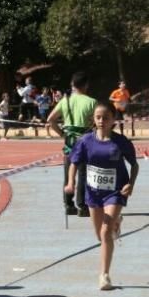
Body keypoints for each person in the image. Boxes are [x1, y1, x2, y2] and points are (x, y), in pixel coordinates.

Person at [65, 101, 138, 290]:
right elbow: (74, 162)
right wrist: (70, 183)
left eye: (106, 117)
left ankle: (104, 276)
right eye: (98, 117)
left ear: (113, 119)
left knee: (106, 233)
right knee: (100, 235)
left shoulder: (121, 142)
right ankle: (116, 221)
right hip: (93, 192)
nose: (101, 121)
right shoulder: (85, 140)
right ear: (93, 119)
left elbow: (134, 164)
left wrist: (131, 184)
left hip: (115, 191)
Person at [48, 72, 96, 217]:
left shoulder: (65, 101)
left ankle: (68, 204)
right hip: (85, 140)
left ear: (73, 85)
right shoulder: (91, 102)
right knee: (83, 173)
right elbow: (98, 121)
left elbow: (51, 119)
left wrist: (62, 133)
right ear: (86, 85)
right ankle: (82, 206)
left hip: (69, 140)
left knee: (68, 171)